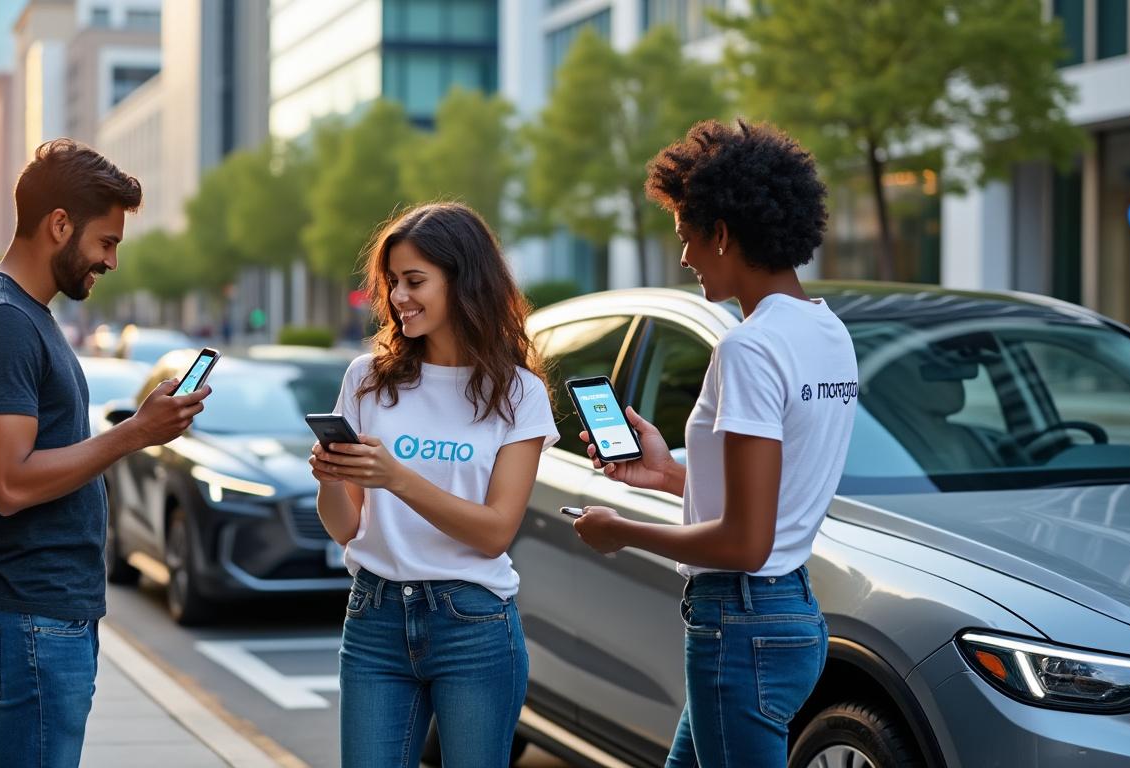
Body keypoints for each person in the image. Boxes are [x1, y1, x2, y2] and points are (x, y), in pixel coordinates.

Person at [571, 120, 859, 768]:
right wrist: (671, 474)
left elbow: (743, 543)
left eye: (687, 237)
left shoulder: (748, 346)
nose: (684, 258)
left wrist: (621, 531)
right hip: (789, 615)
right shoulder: (828, 332)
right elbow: (778, 496)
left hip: (741, 624)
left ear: (722, 233)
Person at [0, 139, 211, 768]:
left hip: (43, 607)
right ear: (58, 224)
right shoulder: (2, 320)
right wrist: (134, 433)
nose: (112, 260)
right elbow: (9, 483)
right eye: (106, 242)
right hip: (30, 608)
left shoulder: (25, 314)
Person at [309, 202, 558, 767]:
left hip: (473, 622)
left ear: (464, 282)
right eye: (393, 281)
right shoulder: (367, 379)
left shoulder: (518, 393)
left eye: (415, 281)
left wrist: (395, 477)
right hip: (375, 615)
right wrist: (329, 478)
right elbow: (348, 528)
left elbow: (495, 533)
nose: (398, 296)